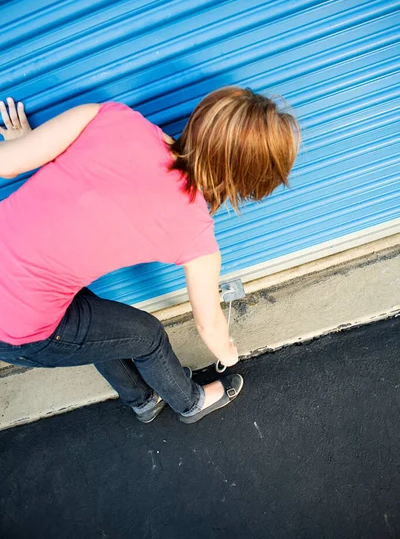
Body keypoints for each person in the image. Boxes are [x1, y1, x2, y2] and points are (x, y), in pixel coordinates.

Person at [0, 88, 300, 424]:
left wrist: (24, 142)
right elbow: (209, 324)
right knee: (147, 337)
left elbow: (7, 163)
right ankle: (191, 403)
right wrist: (228, 354)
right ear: (243, 177)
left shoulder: (111, 117)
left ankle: (142, 400)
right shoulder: (196, 234)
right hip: (16, 327)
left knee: (95, 325)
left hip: (18, 289)